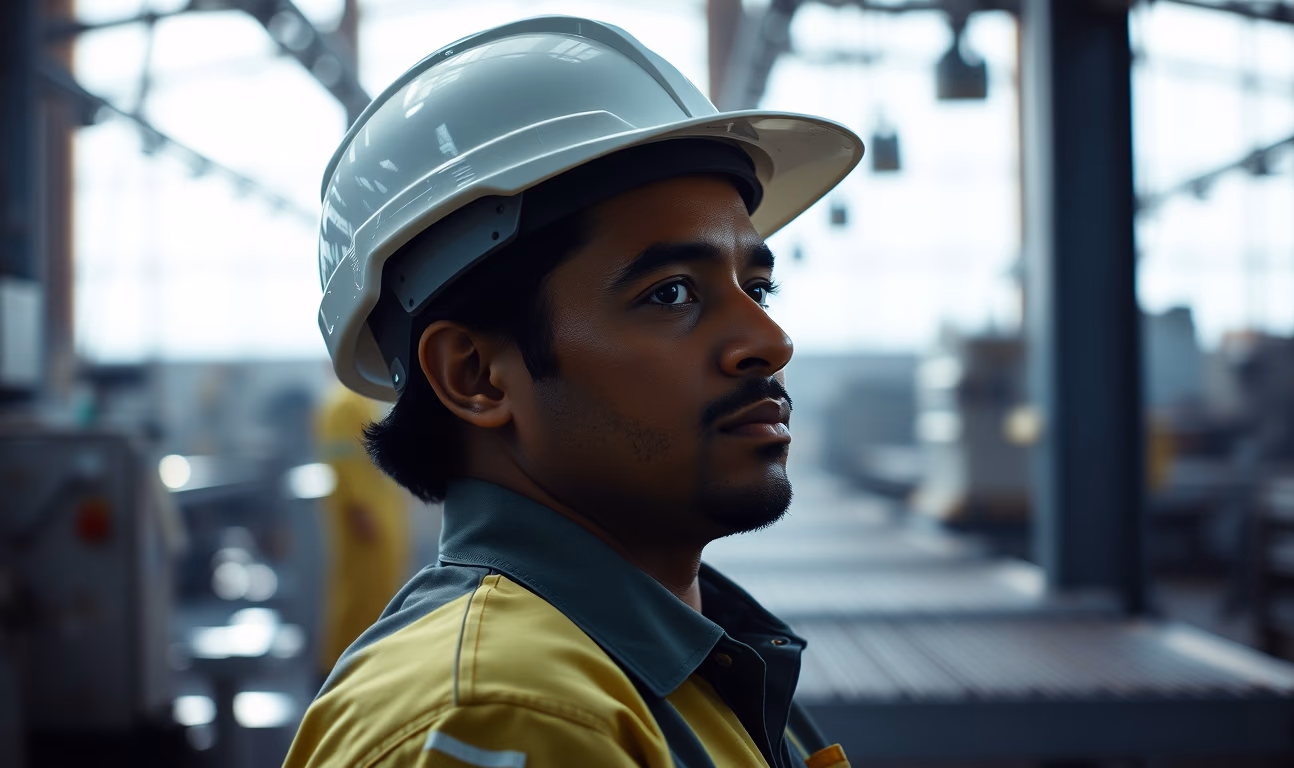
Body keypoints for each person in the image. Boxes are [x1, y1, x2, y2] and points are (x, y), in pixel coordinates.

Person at [285, 16, 862, 768]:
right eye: (673, 293)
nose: (770, 341)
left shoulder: (678, 669)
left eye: (758, 286)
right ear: (476, 375)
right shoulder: (510, 713)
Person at [313, 382, 408, 677]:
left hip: (378, 515)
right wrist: (358, 508)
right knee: (359, 596)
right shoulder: (345, 405)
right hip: (365, 520)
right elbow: (342, 462)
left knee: (377, 593)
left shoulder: (363, 402)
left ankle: (369, 666)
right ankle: (340, 670)